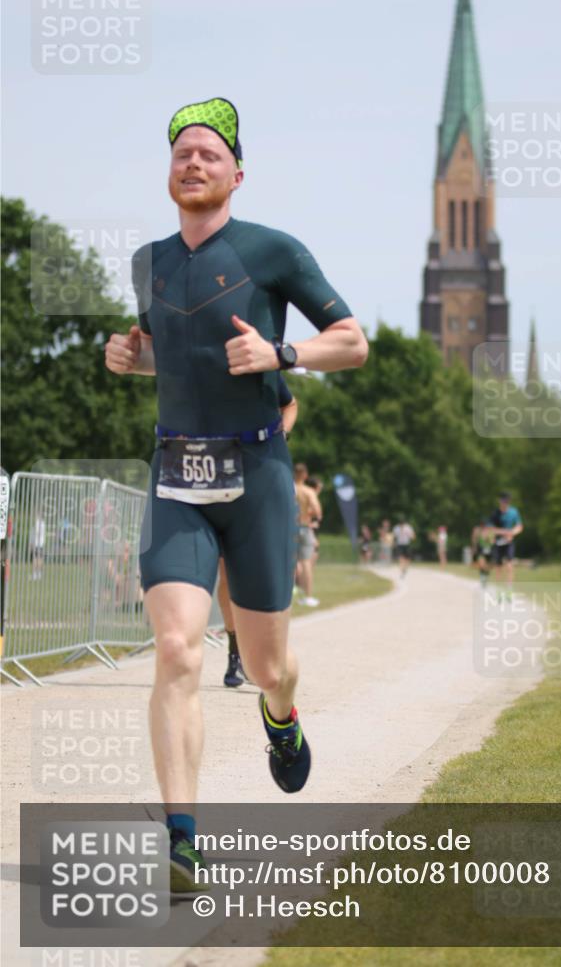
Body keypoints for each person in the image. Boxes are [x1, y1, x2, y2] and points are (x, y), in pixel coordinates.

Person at [104, 97, 368, 892]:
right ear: (168, 173)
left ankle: (280, 717)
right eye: (182, 153)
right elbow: (178, 359)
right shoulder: (148, 263)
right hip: (177, 473)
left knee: (265, 665)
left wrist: (283, 352)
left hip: (257, 476)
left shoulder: (274, 249)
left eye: (209, 154)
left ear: (236, 174)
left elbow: (352, 343)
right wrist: (132, 359)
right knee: (179, 649)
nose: (193, 162)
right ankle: (182, 839)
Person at [220, 374, 298, 688]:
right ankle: (235, 654)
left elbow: (290, 405)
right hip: (214, 476)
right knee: (225, 574)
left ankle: (264, 655)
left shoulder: (257, 365)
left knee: (263, 570)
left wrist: (280, 437)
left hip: (260, 474)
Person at [294, 463, 322, 607]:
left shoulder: (288, 488)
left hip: (288, 528)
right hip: (304, 527)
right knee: (306, 563)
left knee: (290, 563)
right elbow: (318, 511)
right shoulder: (308, 492)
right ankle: (308, 597)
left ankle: (289, 595)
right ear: (305, 475)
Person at [490, 492, 523, 594]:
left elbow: (520, 527)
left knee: (509, 565)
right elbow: (490, 529)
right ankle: (498, 588)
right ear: (500, 502)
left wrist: (512, 533)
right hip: (498, 542)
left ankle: (509, 588)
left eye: (506, 502)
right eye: (503, 502)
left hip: (509, 542)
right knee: (498, 566)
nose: (505, 504)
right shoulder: (495, 514)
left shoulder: (514, 512)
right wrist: (502, 532)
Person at [471, 518, 494, 587]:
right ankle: (482, 577)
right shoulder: (477, 530)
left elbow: (493, 541)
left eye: (485, 525)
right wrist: (474, 547)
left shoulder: (491, 531)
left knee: (488, 566)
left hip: (489, 550)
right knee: (481, 564)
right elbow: (474, 539)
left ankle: (486, 577)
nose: (484, 526)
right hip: (481, 549)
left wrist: (488, 539)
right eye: (483, 525)